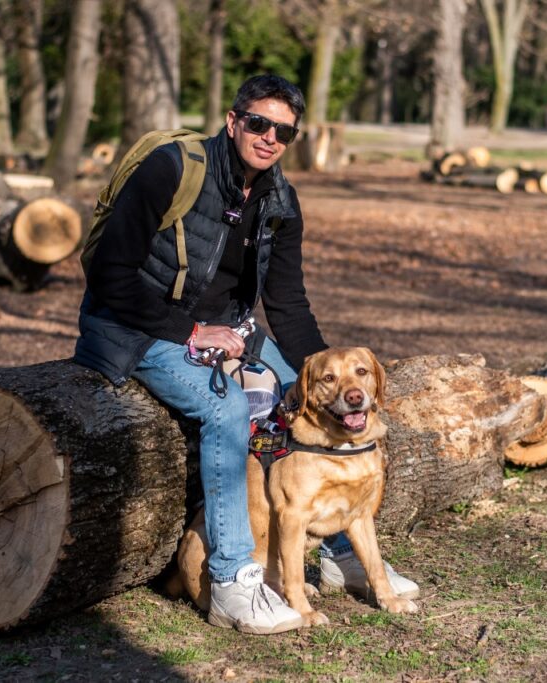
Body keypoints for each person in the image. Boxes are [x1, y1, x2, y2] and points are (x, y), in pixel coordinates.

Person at [73, 75, 417, 634]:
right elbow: (108, 272)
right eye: (258, 123)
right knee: (228, 409)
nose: (269, 137)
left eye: (284, 131)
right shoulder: (171, 169)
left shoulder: (280, 199)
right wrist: (191, 330)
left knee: (299, 397)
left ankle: (336, 548)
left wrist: (319, 372)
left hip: (225, 331)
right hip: (134, 327)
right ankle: (235, 579)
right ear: (233, 121)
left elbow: (287, 302)